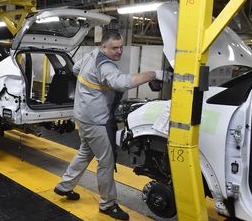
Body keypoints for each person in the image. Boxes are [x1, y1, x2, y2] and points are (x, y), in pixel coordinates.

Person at [54, 30, 170, 220]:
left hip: (82, 115)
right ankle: (107, 204)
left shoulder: (90, 55)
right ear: (104, 47)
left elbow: (75, 70)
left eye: (121, 47)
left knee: (85, 151)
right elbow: (121, 82)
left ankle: (64, 186)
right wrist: (154, 74)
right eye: (114, 48)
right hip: (95, 121)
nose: (119, 51)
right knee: (106, 162)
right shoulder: (105, 65)